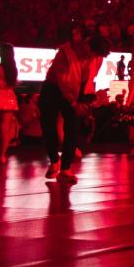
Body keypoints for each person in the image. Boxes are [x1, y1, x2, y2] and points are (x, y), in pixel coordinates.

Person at [40, 34, 111, 182]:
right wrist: (74, 104)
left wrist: (85, 100)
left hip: (76, 90)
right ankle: (54, 160)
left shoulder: (95, 57)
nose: (94, 57)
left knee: (72, 127)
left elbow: (89, 78)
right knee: (48, 125)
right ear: (88, 44)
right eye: (94, 53)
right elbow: (63, 82)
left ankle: (65, 168)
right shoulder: (65, 54)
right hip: (53, 88)